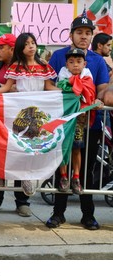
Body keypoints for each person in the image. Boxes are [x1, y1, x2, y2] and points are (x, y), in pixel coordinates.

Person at [46, 16, 109, 230]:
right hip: (63, 123)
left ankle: (88, 215)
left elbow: (101, 88)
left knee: (87, 171)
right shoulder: (57, 56)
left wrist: (97, 99)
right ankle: (58, 213)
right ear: (71, 34)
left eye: (88, 33)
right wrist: (66, 93)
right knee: (61, 167)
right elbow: (49, 84)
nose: (84, 36)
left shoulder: (98, 60)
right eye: (80, 32)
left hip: (90, 124)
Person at [0, 32, 59, 197]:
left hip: (39, 112)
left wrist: (68, 93)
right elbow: (6, 88)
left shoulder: (44, 66)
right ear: (20, 47)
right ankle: (18, 176)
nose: (31, 46)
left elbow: (49, 87)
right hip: (20, 112)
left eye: (33, 42)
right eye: (27, 43)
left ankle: (30, 176)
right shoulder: (16, 67)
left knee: (35, 144)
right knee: (20, 144)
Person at [0, 33, 34, 218]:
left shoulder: (25, 66)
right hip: (1, 120)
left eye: (2, 47)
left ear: (12, 49)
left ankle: (22, 202)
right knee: (0, 156)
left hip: (22, 120)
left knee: (20, 156)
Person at [56, 48, 97, 196]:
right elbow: (62, 89)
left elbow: (89, 91)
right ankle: (63, 176)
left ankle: (76, 177)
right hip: (64, 118)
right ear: (66, 64)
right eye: (71, 62)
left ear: (84, 63)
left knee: (76, 147)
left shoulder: (87, 75)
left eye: (79, 62)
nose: (75, 65)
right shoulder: (62, 74)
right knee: (64, 147)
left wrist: (74, 84)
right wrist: (73, 84)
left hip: (79, 118)